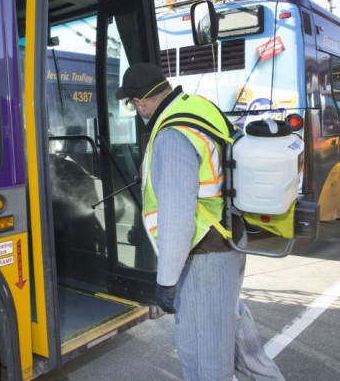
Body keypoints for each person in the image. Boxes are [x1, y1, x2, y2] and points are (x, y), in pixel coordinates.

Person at [116, 63, 283, 380]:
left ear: (139, 101)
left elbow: (177, 215)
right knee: (233, 333)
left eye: (132, 104)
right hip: (231, 238)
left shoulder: (171, 135)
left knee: (204, 357)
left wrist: (166, 280)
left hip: (205, 254)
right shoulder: (199, 107)